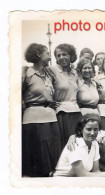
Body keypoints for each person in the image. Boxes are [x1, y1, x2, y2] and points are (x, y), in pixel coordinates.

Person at [22, 43, 61, 177]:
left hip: (51, 115)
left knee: (54, 150)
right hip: (33, 118)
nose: (50, 57)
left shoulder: (48, 74)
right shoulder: (26, 73)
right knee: (39, 159)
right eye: (47, 54)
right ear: (39, 54)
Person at [46, 43, 82, 149]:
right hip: (61, 113)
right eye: (58, 55)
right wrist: (49, 100)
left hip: (76, 112)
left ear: (71, 56)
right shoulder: (51, 70)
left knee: (77, 143)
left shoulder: (75, 73)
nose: (61, 57)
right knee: (63, 145)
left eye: (64, 54)